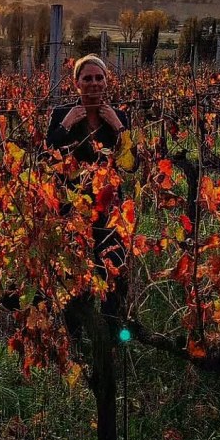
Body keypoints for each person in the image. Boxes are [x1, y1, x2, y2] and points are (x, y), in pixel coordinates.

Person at [46, 54, 130, 318]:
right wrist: (66, 124)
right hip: (72, 208)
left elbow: (131, 163)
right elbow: (46, 158)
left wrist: (118, 127)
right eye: (87, 78)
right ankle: (75, 329)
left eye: (99, 78)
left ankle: (112, 327)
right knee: (73, 271)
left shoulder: (120, 117)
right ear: (76, 83)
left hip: (109, 208)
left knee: (112, 266)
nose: (94, 83)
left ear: (106, 82)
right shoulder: (61, 114)